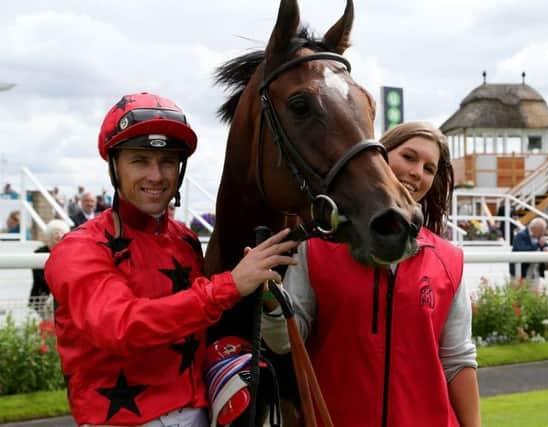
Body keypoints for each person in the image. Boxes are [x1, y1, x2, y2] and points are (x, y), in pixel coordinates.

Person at [45, 92, 298, 427]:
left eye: (167, 162)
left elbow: (198, 325)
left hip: (198, 414)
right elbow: (119, 327)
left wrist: (258, 297)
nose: (156, 176)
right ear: (114, 166)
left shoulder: (185, 240)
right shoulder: (78, 249)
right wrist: (230, 285)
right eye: (140, 160)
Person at [262, 122, 480, 426]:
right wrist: (270, 301)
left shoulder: (449, 260)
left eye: (430, 168)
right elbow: (286, 342)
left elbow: (457, 360)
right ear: (378, 156)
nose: (418, 172)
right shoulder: (316, 249)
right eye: (409, 157)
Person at [29, 219, 70, 316]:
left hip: (61, 299)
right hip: (41, 299)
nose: (58, 235)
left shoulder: (67, 252)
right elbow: (39, 279)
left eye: (61, 232)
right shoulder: (38, 254)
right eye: (55, 232)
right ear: (49, 236)